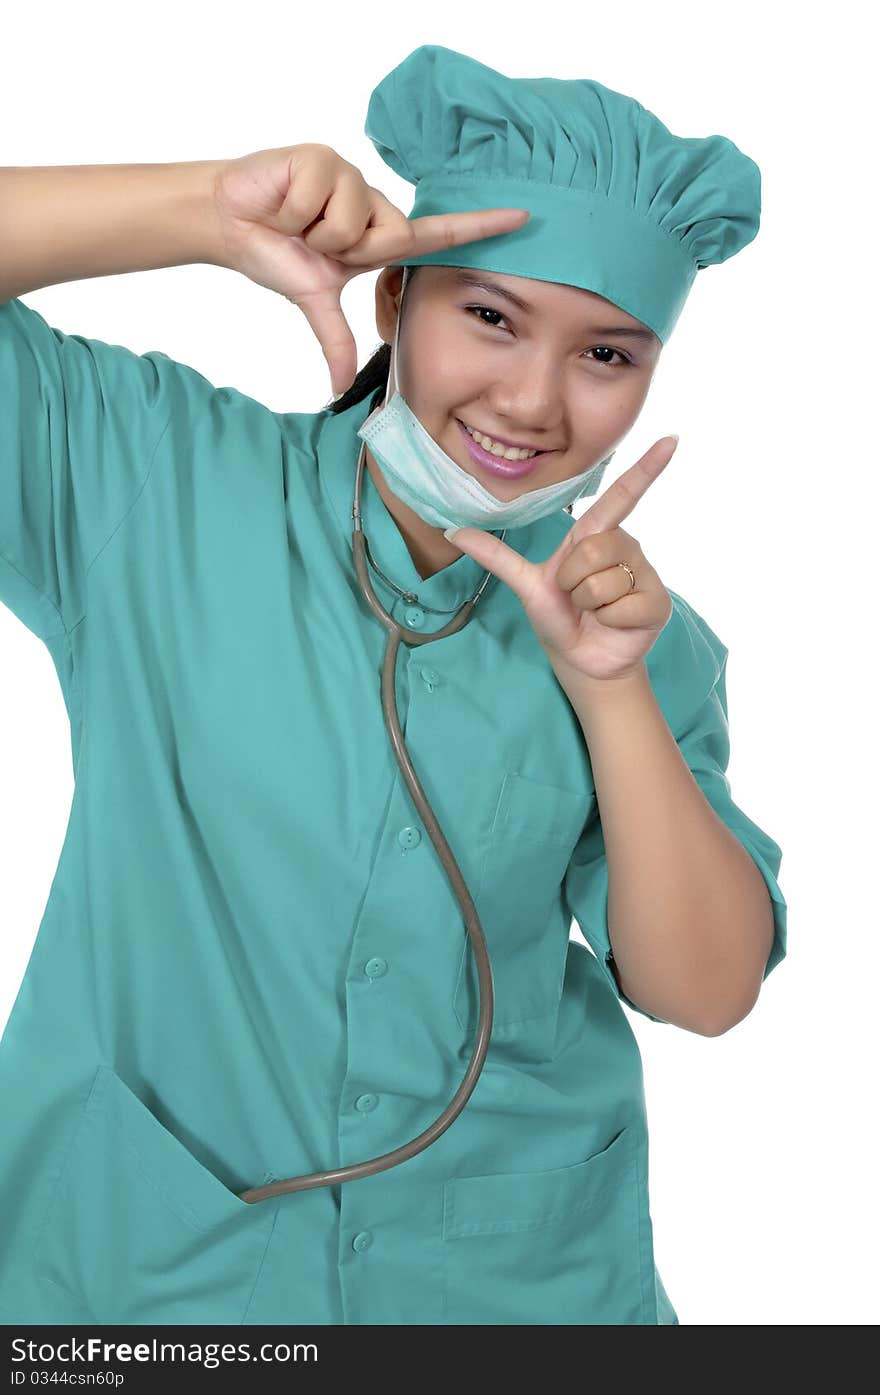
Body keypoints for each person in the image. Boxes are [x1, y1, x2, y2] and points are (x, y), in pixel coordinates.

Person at [0, 46, 787, 1326]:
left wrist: (612, 696)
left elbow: (704, 993)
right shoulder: (152, 480)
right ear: (392, 300)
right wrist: (201, 209)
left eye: (606, 355)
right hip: (152, 1271)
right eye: (488, 316)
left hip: (514, 1286)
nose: (532, 401)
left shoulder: (646, 642)